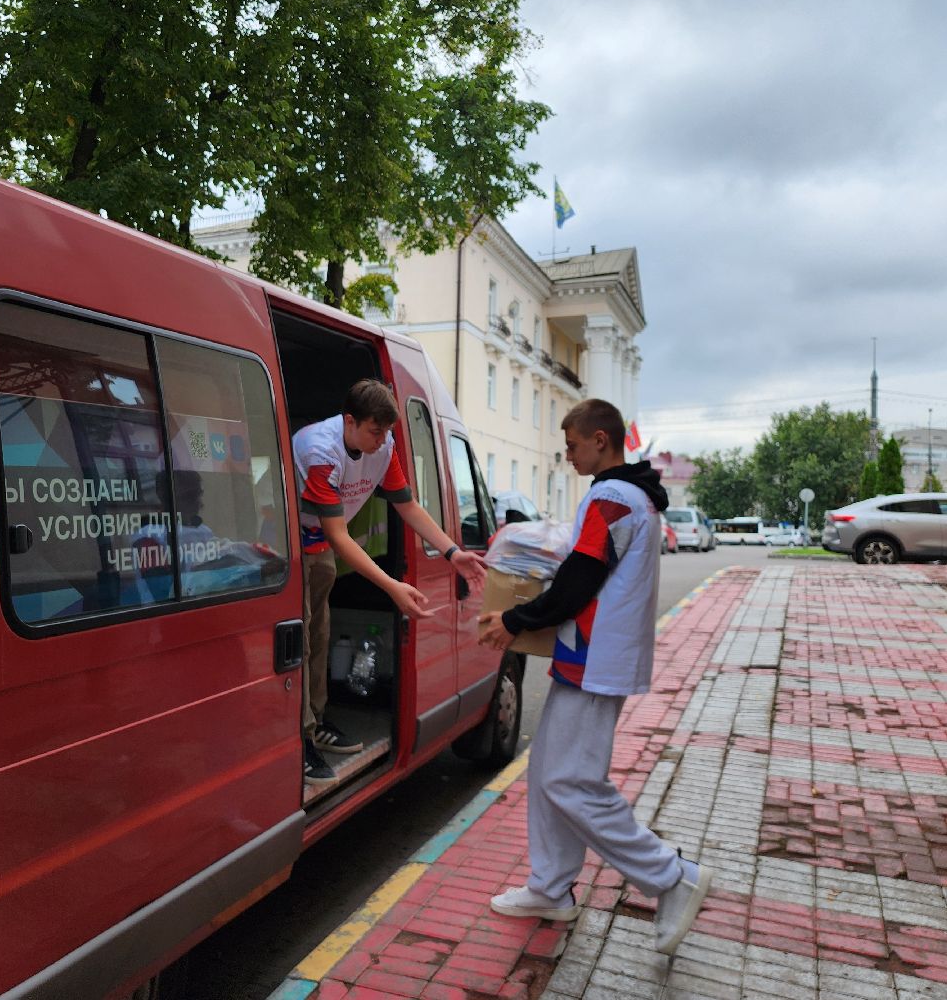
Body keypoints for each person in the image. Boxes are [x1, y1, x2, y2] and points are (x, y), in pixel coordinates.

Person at [478, 398, 713, 956]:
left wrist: (513, 621)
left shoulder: (611, 497)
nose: (568, 455)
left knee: (573, 782)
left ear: (600, 441)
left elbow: (579, 582)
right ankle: (551, 888)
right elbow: (583, 574)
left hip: (595, 656)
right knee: (547, 773)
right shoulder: (631, 497)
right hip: (588, 655)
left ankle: (670, 876)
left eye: (573, 445)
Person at [295, 379, 487, 785]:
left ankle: (318, 719)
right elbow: (338, 536)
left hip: (320, 546)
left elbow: (408, 506)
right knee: (301, 641)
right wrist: (392, 587)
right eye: (374, 431)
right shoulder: (320, 451)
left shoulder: (382, 447)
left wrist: (453, 552)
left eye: (386, 432)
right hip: (291, 545)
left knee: (321, 632)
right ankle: (301, 741)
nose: (382, 440)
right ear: (349, 421)